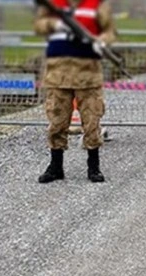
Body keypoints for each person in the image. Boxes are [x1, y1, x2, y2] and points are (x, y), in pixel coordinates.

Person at [33, 0, 116, 183]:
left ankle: (93, 168)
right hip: (58, 73)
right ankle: (55, 167)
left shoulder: (96, 4)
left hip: (88, 73)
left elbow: (109, 32)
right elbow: (38, 26)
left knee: (91, 120)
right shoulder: (53, 4)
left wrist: (101, 42)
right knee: (57, 120)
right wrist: (53, 24)